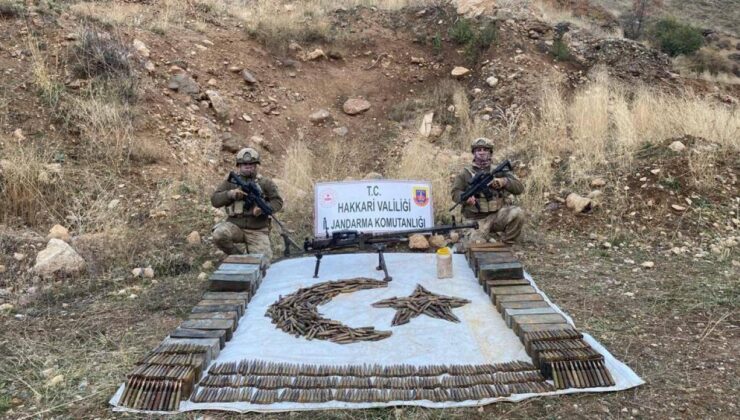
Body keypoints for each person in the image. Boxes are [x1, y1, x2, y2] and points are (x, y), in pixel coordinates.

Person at [211, 147, 283, 261]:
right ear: (238, 166)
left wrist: (263, 208)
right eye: (244, 164)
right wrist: (230, 194)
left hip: (257, 230)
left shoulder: (265, 183)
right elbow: (215, 200)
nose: (248, 166)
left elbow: (278, 201)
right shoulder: (230, 182)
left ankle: (249, 259)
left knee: (263, 263)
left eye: (252, 164)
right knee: (219, 234)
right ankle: (239, 257)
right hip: (235, 226)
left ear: (256, 165)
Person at [451, 137, 525, 246]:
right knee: (477, 245)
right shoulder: (465, 173)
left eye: (485, 150)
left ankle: (507, 244)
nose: (482, 152)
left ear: (490, 152)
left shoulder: (499, 171)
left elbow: (519, 188)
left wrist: (504, 181)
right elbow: (455, 193)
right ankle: (484, 236)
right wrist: (466, 198)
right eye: (478, 150)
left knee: (517, 213)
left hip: (496, 216)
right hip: (475, 220)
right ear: (474, 153)